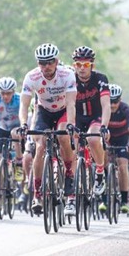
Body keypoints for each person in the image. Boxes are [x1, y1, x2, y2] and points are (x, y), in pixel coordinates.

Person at [18, 43, 77, 215]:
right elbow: (24, 104)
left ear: (57, 61)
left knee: (63, 136)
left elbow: (71, 102)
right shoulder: (31, 77)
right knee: (40, 146)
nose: (47, 67)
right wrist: (23, 123)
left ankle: (68, 174)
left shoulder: (67, 75)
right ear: (38, 63)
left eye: (50, 62)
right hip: (43, 111)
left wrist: (71, 123)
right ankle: (37, 194)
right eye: (42, 63)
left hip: (63, 110)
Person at [71, 45, 110, 217]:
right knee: (69, 146)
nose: (81, 68)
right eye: (78, 64)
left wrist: (104, 126)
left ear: (92, 65)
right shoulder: (70, 79)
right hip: (77, 118)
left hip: (95, 116)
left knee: (94, 140)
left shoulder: (100, 79)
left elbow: (106, 105)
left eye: (85, 65)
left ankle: (100, 171)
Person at [0, 76, 22, 210]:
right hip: (2, 128)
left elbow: (24, 114)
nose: (5, 96)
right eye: (3, 93)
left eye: (8, 93)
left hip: (16, 126)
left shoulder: (19, 100)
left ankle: (19, 163)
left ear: (13, 92)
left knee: (15, 134)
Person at [106, 84, 129, 214]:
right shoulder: (103, 108)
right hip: (108, 138)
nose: (112, 105)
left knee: (123, 166)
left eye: (115, 101)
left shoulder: (125, 109)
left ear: (120, 100)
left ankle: (124, 201)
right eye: (110, 101)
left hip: (123, 139)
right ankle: (103, 198)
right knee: (103, 162)